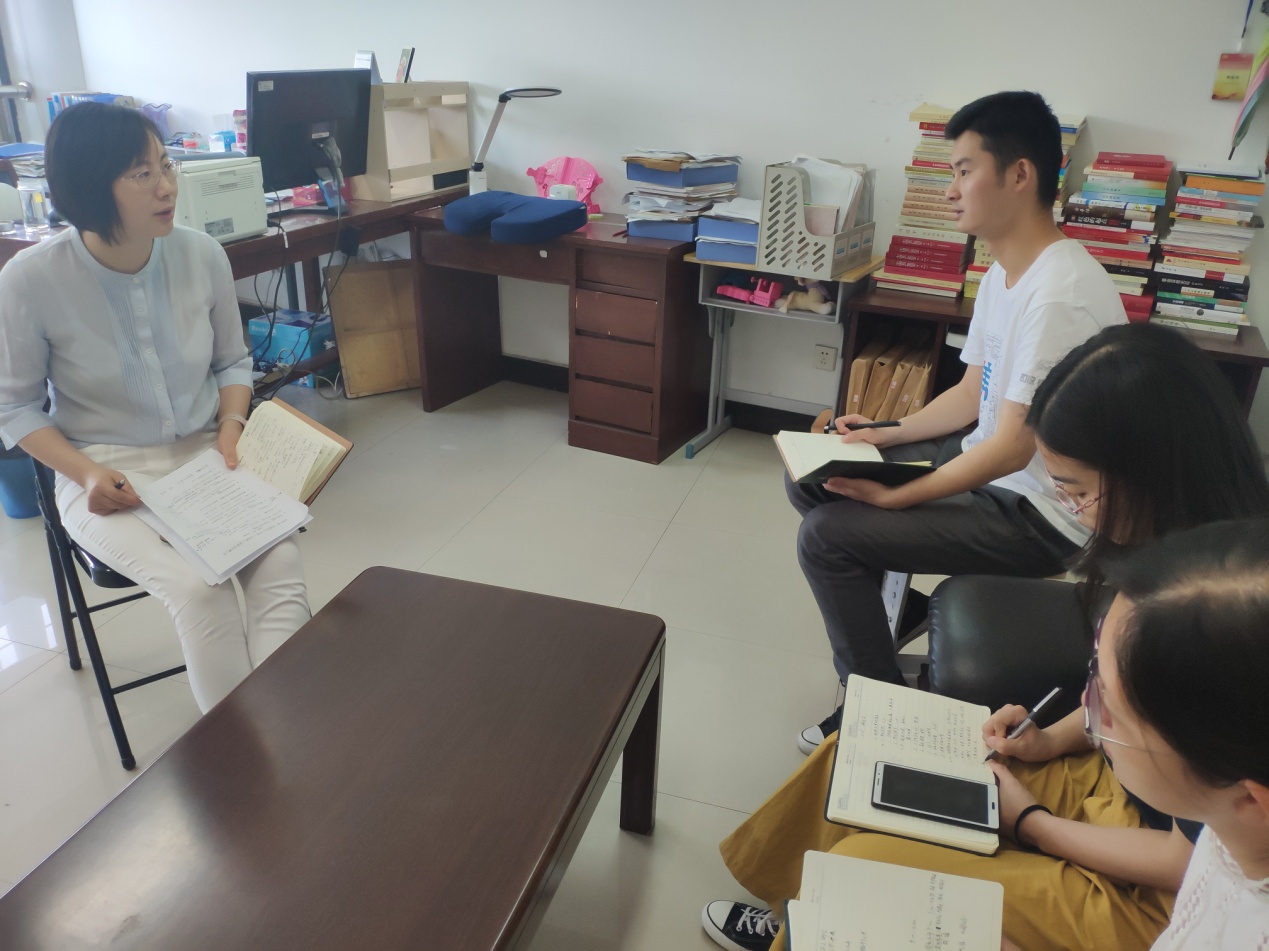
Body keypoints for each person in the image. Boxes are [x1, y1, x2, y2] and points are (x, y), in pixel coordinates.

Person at [702, 324, 1269, 951]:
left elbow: (1191, 859)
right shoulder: (1163, 557)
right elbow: (1118, 706)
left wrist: (1032, 824)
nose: (1075, 511)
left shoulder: (1221, 617)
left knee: (871, 865)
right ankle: (800, 918)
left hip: (1152, 886)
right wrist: (1050, 740)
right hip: (1114, 783)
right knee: (856, 757)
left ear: (1151, 473)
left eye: (1079, 492)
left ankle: (824, 918)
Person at [790, 91, 1127, 756]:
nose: (949, 191)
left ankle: (873, 703)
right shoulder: (1004, 273)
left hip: (1043, 515)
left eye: (964, 170)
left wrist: (901, 495)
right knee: (817, 476)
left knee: (826, 538)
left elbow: (1011, 448)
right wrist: (884, 433)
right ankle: (893, 615)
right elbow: (974, 392)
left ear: (1020, 174)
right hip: (997, 473)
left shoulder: (1059, 295)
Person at [0, 102, 310, 713]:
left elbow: (232, 362)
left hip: (208, 455)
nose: (167, 186)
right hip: (101, 473)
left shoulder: (202, 254)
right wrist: (87, 473)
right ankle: (242, 754)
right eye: (142, 174)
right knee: (199, 591)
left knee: (279, 565)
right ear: (92, 187)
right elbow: (15, 408)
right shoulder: (30, 280)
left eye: (165, 165)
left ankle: (287, 736)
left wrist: (231, 428)